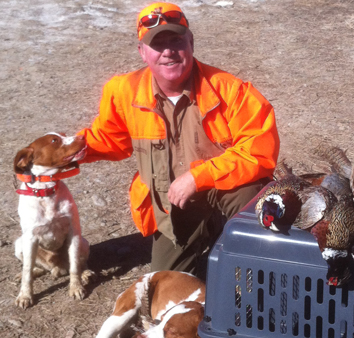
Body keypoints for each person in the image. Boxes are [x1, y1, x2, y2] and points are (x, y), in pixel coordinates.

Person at [78, 2, 280, 276]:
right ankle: (207, 235)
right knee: (164, 285)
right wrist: (65, 152)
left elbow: (257, 152)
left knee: (249, 197)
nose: (168, 52)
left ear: (191, 43)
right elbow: (109, 138)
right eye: (157, 44)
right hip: (174, 205)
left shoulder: (231, 90)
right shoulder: (123, 91)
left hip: (225, 191)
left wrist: (197, 177)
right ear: (142, 52)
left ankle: (251, 263)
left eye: (176, 41)